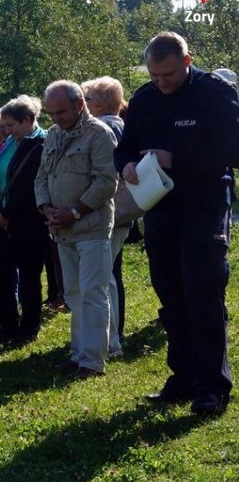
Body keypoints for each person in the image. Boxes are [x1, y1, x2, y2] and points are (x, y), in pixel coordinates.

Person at [116, 31, 237, 416]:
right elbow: (125, 146)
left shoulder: (213, 92)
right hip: (160, 207)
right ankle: (182, 376)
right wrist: (128, 165)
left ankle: (211, 387)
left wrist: (177, 158)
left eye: (167, 75)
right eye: (154, 75)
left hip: (203, 204)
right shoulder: (144, 97)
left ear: (187, 62)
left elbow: (233, 148)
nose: (161, 83)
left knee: (202, 292)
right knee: (169, 292)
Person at [35, 80, 118, 378]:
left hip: (91, 228)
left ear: (80, 104)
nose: (56, 118)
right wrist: (47, 209)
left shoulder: (100, 135)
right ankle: (78, 352)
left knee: (93, 293)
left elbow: (106, 182)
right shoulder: (53, 135)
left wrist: (73, 212)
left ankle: (93, 361)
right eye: (52, 113)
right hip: (60, 228)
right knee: (72, 292)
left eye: (62, 112)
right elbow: (41, 177)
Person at [0, 96, 48, 345]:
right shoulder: (10, 141)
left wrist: (7, 214)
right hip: (0, 220)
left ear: (28, 120)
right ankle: (8, 325)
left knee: (30, 277)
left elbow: (31, 186)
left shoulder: (40, 144)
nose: (6, 130)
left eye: (11, 125)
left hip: (27, 222)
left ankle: (29, 327)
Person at [82, 75, 129, 358]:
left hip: (108, 211)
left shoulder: (105, 128)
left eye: (86, 99)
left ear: (99, 104)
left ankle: (110, 341)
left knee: (105, 276)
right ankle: (110, 335)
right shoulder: (120, 125)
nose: (83, 104)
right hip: (116, 212)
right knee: (110, 273)